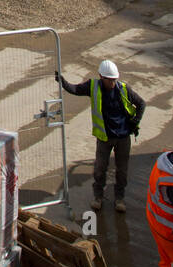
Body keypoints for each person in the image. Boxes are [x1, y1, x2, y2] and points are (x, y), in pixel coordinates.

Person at [56, 60, 146, 213]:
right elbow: (75, 89)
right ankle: (98, 197)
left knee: (122, 170)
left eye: (114, 80)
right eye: (109, 80)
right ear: (101, 77)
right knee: (100, 169)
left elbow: (141, 103)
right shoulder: (93, 86)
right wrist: (63, 82)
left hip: (123, 138)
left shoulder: (123, 89)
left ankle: (119, 199)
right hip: (104, 138)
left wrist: (134, 122)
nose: (112, 82)